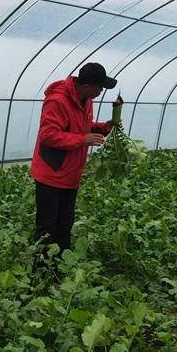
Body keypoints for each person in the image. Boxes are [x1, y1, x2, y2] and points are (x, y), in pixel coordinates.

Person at [29, 62, 117, 262]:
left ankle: (60, 267)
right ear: (87, 86)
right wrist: (82, 139)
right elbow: (48, 135)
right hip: (51, 174)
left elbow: (82, 126)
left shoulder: (85, 99)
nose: (101, 91)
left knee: (64, 225)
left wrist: (103, 127)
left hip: (70, 175)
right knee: (47, 228)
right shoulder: (57, 100)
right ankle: (40, 273)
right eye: (100, 88)